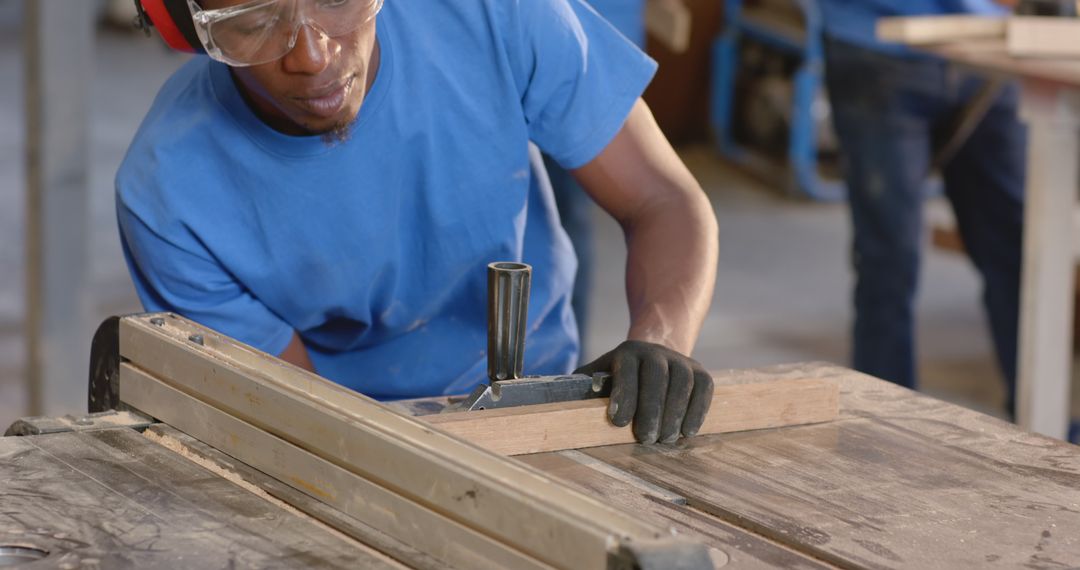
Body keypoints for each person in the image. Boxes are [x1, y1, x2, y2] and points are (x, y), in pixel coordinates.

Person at [117, 0, 719, 444]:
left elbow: (662, 200)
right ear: (186, 28)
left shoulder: (493, 14)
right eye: (252, 24)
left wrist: (659, 343)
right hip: (357, 434)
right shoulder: (171, 194)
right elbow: (299, 427)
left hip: (539, 401)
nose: (312, 56)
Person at [818, 0, 1026, 416]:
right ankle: (883, 423)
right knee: (890, 258)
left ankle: (1046, 422)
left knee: (1019, 250)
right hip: (878, 43)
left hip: (988, 50)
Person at [543, 0, 646, 362]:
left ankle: (565, 371)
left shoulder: (528, 18)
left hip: (581, 52)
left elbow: (664, 200)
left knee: (565, 219)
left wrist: (659, 341)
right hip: (568, 46)